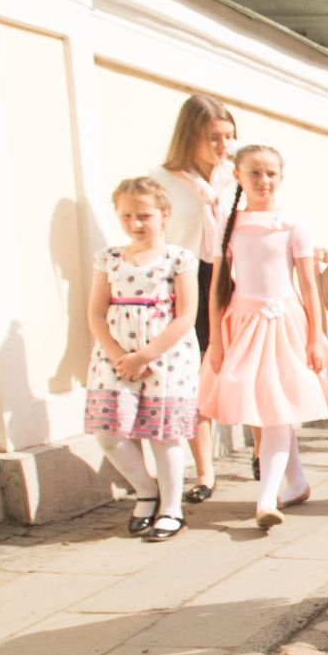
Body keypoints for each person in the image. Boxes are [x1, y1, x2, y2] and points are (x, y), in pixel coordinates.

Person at [199, 145, 328, 531]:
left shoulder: (292, 224)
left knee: (274, 412)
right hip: (243, 323)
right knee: (271, 409)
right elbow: (218, 284)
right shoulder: (228, 224)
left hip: (284, 323)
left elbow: (307, 284)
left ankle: (267, 497)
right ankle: (296, 481)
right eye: (254, 173)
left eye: (270, 174)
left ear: (281, 177)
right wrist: (217, 340)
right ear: (238, 176)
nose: (263, 181)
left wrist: (316, 336)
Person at [87, 177, 200, 542]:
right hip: (115, 358)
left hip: (165, 357)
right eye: (127, 216)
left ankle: (171, 507)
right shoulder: (108, 259)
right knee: (108, 432)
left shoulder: (178, 259)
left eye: (144, 215)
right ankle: (145, 490)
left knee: (163, 434)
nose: (136, 223)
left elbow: (185, 316)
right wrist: (121, 356)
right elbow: (96, 313)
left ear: (163, 214)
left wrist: (147, 355)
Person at [150, 93, 235, 506]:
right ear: (191, 136)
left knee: (241, 364)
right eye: (213, 138)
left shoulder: (234, 176)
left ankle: (262, 452)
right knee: (192, 374)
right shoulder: (162, 182)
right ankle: (204, 469)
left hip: (233, 279)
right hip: (187, 282)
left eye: (227, 137)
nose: (222, 147)